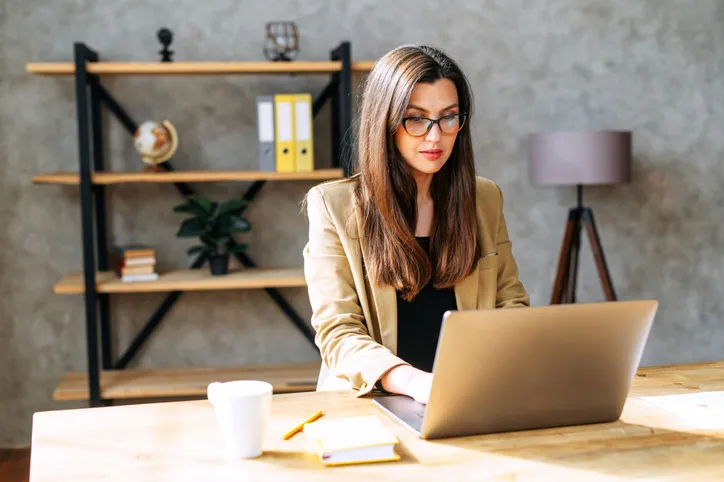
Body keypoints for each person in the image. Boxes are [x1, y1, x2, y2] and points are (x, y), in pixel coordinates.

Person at [302, 44, 529, 405]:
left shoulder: (483, 198)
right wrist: (415, 382)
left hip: (469, 397)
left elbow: (511, 303)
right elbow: (338, 332)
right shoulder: (334, 205)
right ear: (386, 122)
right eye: (416, 118)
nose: (435, 136)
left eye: (449, 117)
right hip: (373, 402)